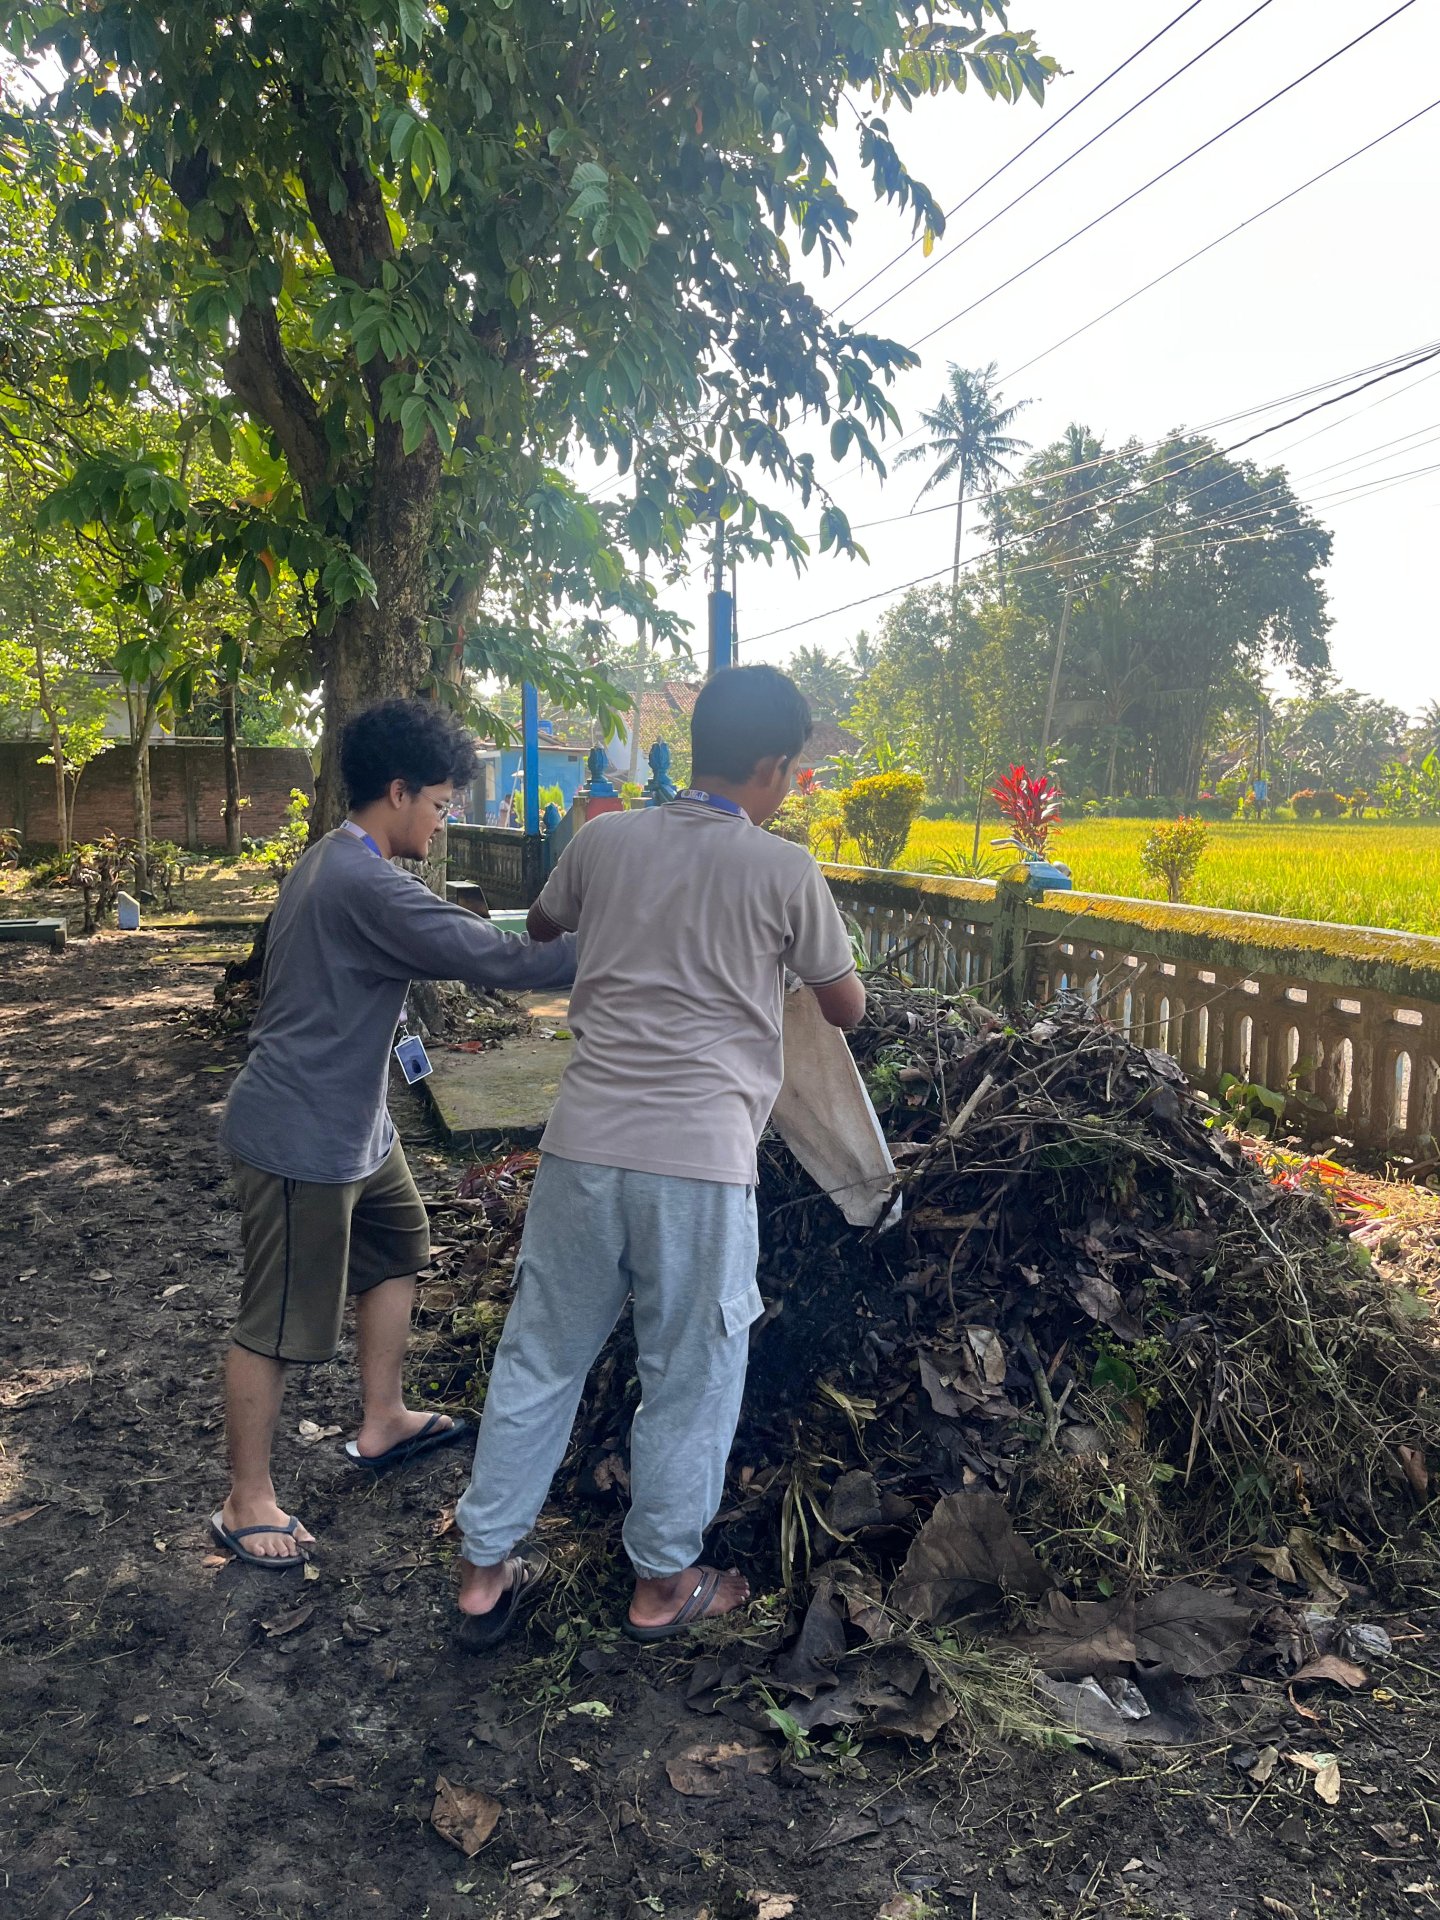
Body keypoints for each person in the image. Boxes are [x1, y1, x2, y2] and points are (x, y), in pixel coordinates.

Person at [454, 664, 866, 1647]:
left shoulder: (607, 839)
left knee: (541, 1351)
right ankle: (660, 1586)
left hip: (585, 1144)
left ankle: (481, 1573)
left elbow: (546, 922)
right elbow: (846, 1006)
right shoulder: (783, 870)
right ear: (770, 766)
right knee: (689, 1368)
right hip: (702, 1160)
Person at [211, 699, 576, 1568]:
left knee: (401, 1248)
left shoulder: (337, 860)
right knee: (277, 1322)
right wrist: (627, 943)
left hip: (354, 1127)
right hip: (301, 1135)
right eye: (442, 804)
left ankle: (382, 1419)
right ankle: (245, 1498)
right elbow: (494, 956)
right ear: (400, 790)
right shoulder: (364, 882)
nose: (444, 820)